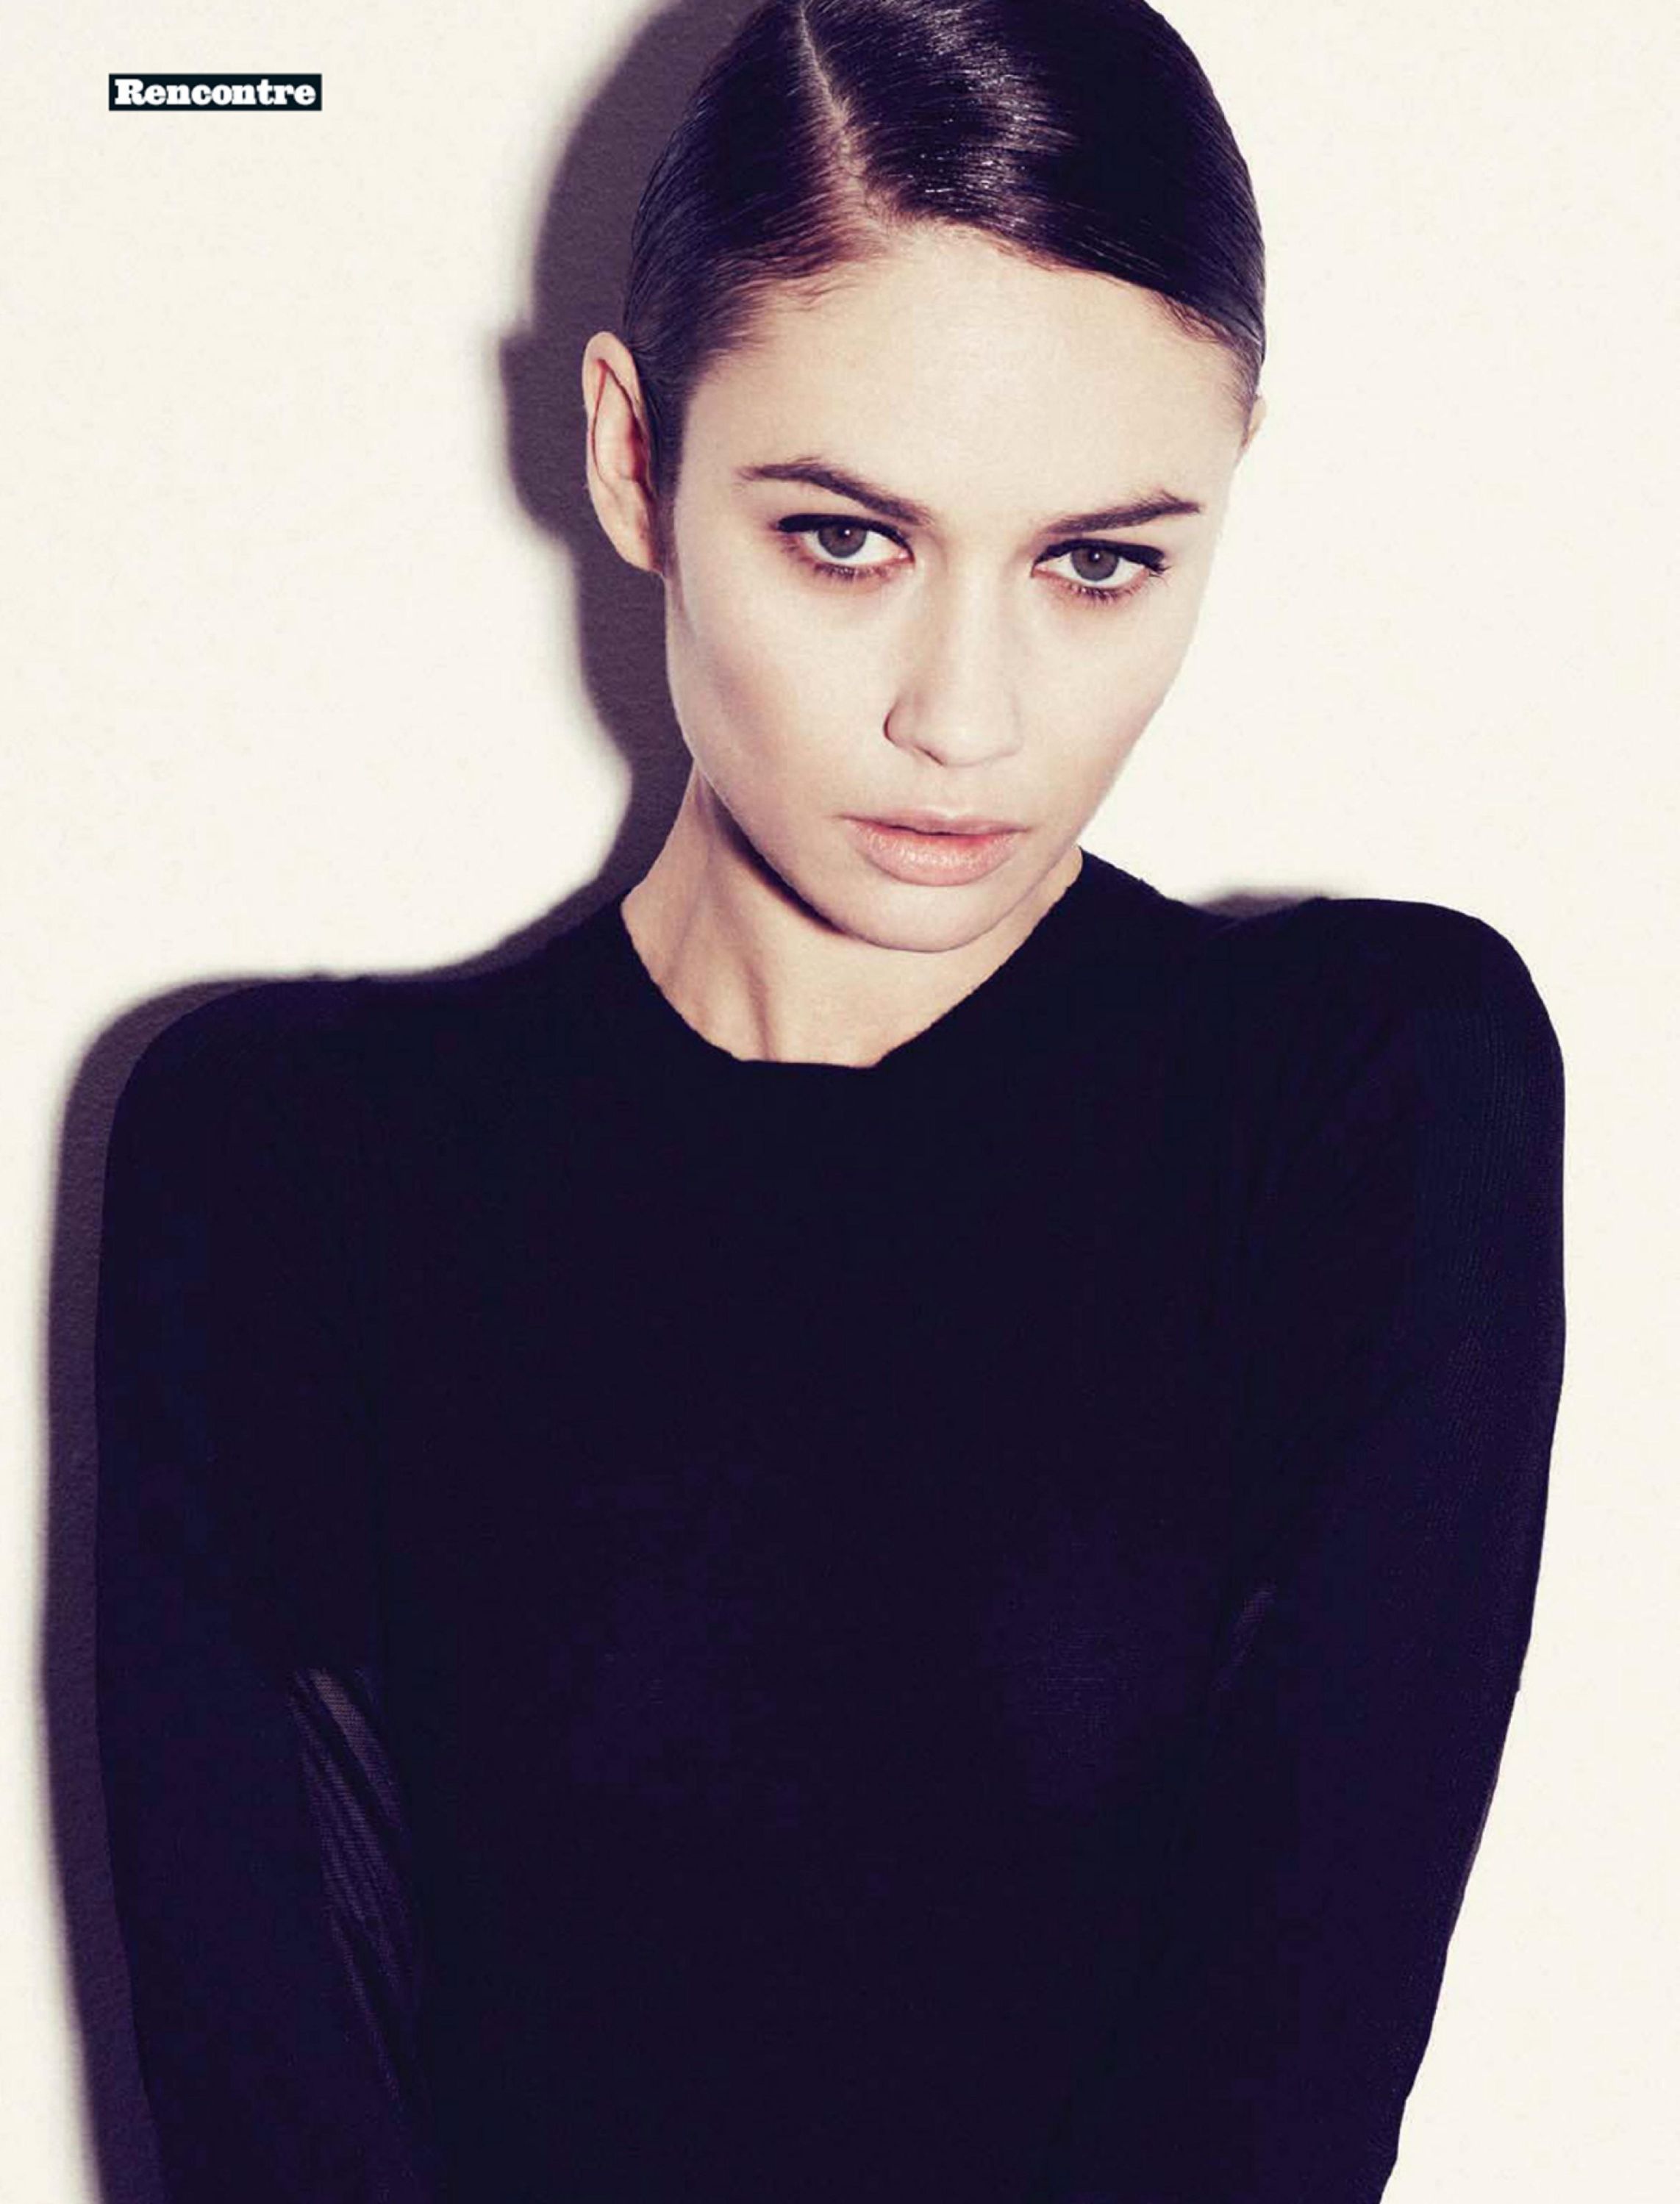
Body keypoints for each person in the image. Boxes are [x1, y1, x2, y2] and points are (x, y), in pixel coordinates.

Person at [93, 2, 1566, 2200]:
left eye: (1098, 561)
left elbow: (1285, 2089)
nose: (965, 719)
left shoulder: (1366, 1092)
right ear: (633, 458)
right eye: (849, 541)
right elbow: (267, 2111)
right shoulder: (283, 1166)